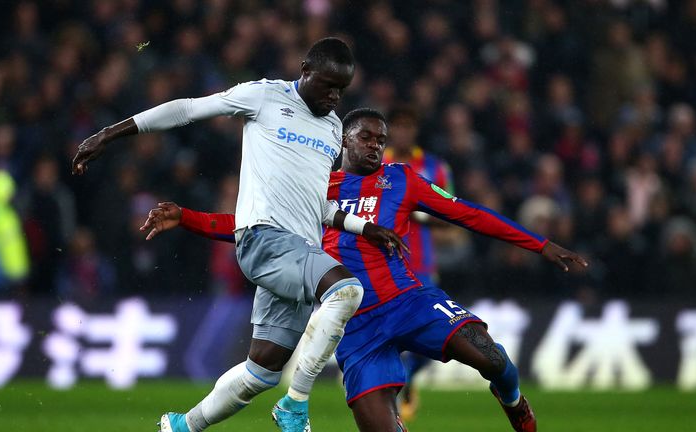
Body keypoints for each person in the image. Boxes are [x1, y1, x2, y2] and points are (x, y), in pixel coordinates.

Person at [140, 108, 589, 432]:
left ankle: (513, 403)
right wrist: (187, 217)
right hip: (355, 330)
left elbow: (468, 214)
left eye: (381, 138)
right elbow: (252, 228)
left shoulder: (402, 178)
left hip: (410, 301)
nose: (377, 145)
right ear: (344, 141)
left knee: (492, 359)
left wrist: (541, 244)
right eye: (367, 137)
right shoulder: (315, 186)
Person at [71, 39, 407, 432]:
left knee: (260, 373)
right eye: (328, 84)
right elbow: (187, 109)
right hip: (264, 240)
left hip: (299, 253)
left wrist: (364, 227)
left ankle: (182, 425)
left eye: (341, 89)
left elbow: (317, 205)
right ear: (305, 69)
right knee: (347, 291)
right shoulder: (264, 95)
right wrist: (109, 133)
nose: (334, 96)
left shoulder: (334, 129)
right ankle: (294, 406)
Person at [383, 105, 456, 419]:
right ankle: (389, 397)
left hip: (422, 266)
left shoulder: (433, 167)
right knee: (387, 337)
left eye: (407, 126)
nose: (402, 132)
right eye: (396, 126)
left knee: (442, 335)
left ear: (415, 131)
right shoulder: (374, 162)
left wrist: (412, 214)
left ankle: (408, 375)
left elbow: (448, 216)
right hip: (382, 264)